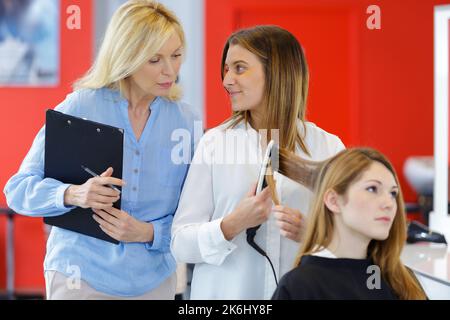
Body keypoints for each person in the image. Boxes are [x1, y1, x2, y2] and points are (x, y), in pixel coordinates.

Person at [3, 0, 200, 299]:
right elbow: (17, 190)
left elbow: (194, 212)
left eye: (176, 56)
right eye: (155, 59)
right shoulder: (81, 106)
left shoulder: (186, 121)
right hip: (80, 275)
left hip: (154, 279)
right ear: (127, 57)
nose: (170, 70)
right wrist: (73, 194)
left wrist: (148, 233)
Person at [171, 25, 345, 299]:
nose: (227, 80)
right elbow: (180, 243)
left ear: (278, 72)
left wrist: (312, 234)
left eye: (239, 68)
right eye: (226, 69)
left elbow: (353, 243)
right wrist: (230, 225)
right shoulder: (215, 144)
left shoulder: (328, 148)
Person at [271, 148, 428, 299]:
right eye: (373, 189)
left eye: (393, 193)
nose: (389, 203)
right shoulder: (299, 287)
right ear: (334, 201)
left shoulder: (401, 280)